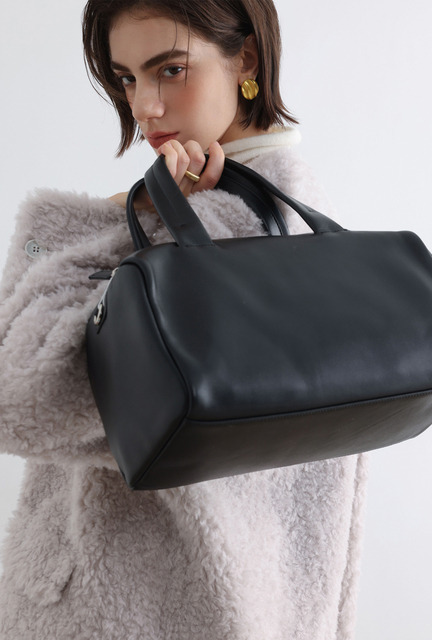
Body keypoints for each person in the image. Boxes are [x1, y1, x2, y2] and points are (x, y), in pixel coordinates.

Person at [0, 1, 367, 638]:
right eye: (126, 78)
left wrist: (104, 218)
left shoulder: (225, 229)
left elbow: (19, 398)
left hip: (127, 613)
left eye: (170, 69)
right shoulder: (295, 214)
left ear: (246, 58)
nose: (144, 106)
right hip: (242, 610)